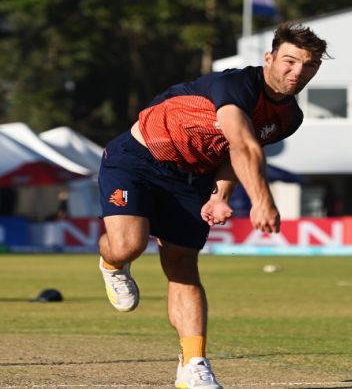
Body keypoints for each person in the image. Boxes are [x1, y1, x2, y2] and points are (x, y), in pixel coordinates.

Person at [97, 22, 328, 388]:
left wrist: (220, 195)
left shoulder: (289, 118)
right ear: (269, 58)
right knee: (129, 244)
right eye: (289, 61)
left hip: (193, 177)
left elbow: (230, 156)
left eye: (309, 65)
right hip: (137, 158)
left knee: (182, 265)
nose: (297, 72)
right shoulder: (236, 85)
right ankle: (111, 263)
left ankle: (193, 365)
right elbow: (243, 146)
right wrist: (261, 201)